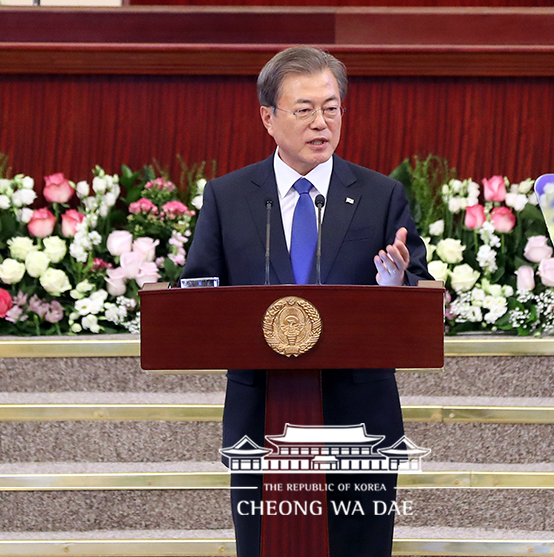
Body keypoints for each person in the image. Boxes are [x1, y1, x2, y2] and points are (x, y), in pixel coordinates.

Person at [181, 45, 431, 557]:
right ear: (268, 118)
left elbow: (419, 299)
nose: (322, 123)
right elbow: (197, 295)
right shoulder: (228, 198)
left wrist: (395, 285)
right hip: (263, 418)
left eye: (332, 108)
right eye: (304, 110)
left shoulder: (381, 195)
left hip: (359, 416)